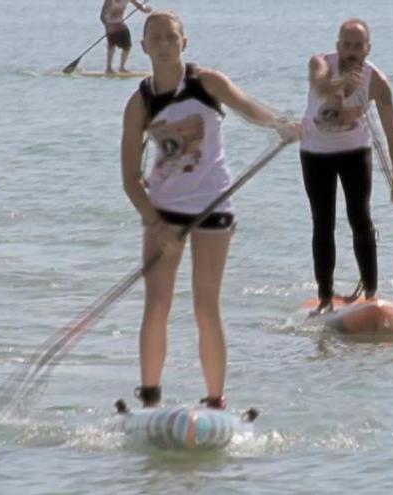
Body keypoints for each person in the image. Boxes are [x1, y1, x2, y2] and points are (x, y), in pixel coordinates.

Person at [121, 11, 298, 409]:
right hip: (163, 212)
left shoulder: (206, 83)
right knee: (158, 304)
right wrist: (156, 224)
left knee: (206, 304)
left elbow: (249, 107)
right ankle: (150, 398)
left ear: (184, 42)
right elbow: (130, 178)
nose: (164, 44)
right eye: (156, 38)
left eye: (172, 37)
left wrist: (283, 126)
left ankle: (215, 399)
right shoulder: (140, 103)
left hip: (214, 206)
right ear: (145, 47)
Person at [300, 18, 393, 315]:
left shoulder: (377, 82)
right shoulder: (320, 62)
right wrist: (340, 83)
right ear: (338, 46)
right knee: (323, 222)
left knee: (360, 217)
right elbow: (320, 85)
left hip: (354, 151)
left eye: (358, 46)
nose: (351, 51)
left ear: (367, 49)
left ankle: (371, 295)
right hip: (315, 152)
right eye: (346, 45)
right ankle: (324, 298)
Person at [101, 0, 152, 74]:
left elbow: (139, 6)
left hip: (120, 23)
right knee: (111, 46)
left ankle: (122, 68)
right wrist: (107, 26)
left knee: (127, 46)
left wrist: (145, 9)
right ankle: (109, 68)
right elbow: (102, 16)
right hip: (110, 24)